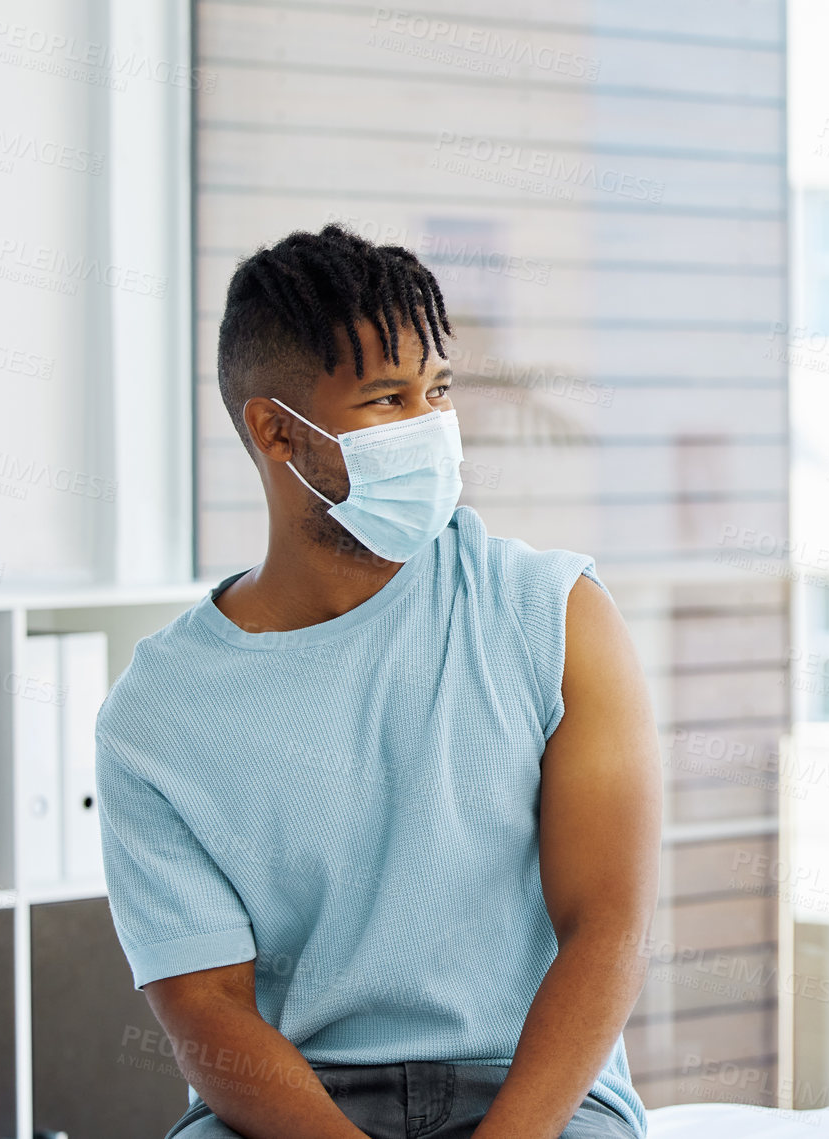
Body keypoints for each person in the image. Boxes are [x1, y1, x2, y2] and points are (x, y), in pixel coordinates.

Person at [94, 225, 661, 1139]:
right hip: (293, 1107)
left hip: (535, 1092)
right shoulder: (155, 715)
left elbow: (609, 928)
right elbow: (206, 1006)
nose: (432, 430)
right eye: (387, 400)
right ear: (277, 430)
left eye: (438, 392)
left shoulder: (553, 613)